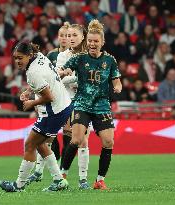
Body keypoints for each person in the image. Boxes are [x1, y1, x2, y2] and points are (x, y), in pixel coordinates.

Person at [0, 41, 72, 192]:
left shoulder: (32, 72)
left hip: (54, 110)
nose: (17, 61)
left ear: (29, 55)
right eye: (15, 58)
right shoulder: (39, 56)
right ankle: (59, 180)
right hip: (64, 104)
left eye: (20, 57)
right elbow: (47, 78)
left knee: (30, 144)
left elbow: (48, 97)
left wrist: (32, 102)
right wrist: (29, 90)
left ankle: (19, 185)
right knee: (39, 144)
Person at [26, 23, 91, 190]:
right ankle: (44, 172)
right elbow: (57, 80)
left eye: (73, 35)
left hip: (84, 101)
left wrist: (75, 77)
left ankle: (82, 180)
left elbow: (88, 79)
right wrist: (74, 78)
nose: (69, 39)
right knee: (48, 137)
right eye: (67, 36)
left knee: (82, 140)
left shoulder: (90, 56)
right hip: (65, 101)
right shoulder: (61, 56)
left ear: (83, 36)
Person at [61, 19, 122, 190]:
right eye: (90, 41)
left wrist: (117, 87)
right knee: (77, 139)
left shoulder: (110, 60)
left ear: (102, 42)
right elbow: (65, 70)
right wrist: (62, 72)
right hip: (82, 103)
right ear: (86, 42)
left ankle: (99, 181)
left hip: (102, 105)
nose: (92, 44)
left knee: (109, 142)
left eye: (96, 41)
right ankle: (62, 175)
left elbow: (117, 81)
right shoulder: (79, 58)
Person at [26, 22, 70, 181]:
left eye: (68, 35)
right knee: (47, 138)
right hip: (51, 102)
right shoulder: (51, 55)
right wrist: (31, 93)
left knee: (70, 138)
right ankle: (40, 171)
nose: (64, 39)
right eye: (62, 35)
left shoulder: (76, 55)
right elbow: (43, 80)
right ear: (57, 37)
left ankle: (63, 173)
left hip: (67, 100)